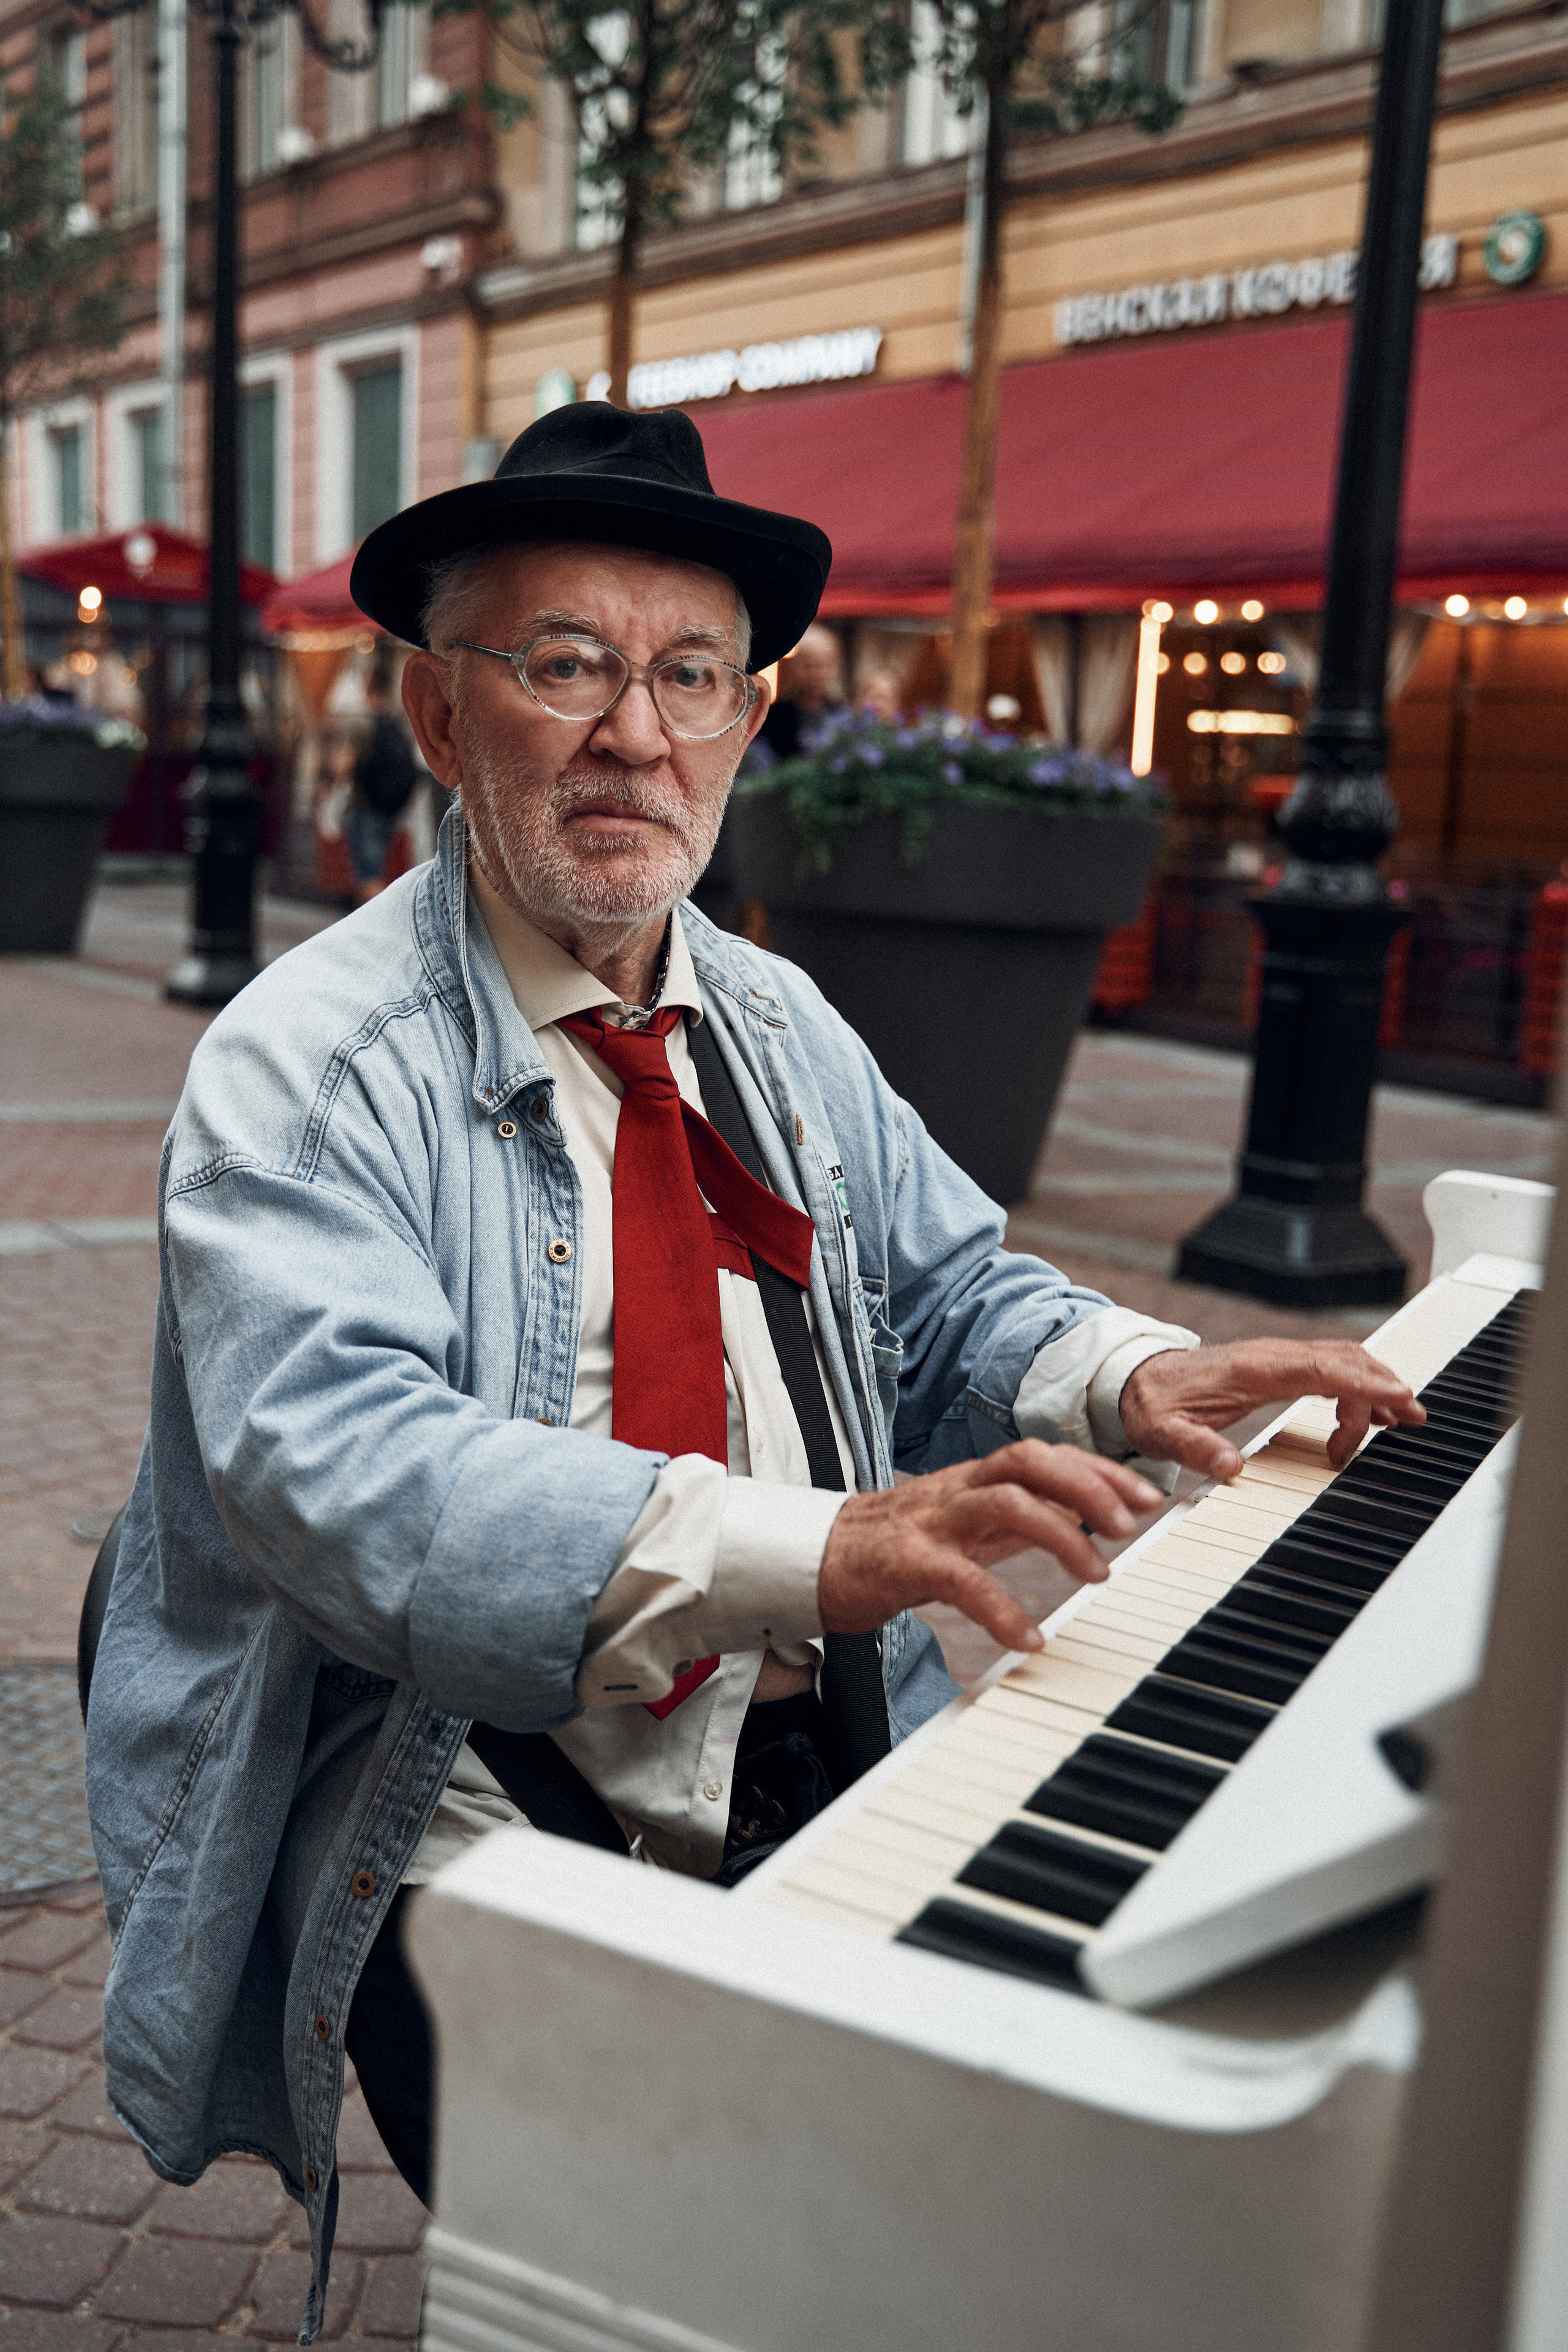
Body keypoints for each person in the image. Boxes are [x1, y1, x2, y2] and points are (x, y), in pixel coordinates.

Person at [85, 403, 1422, 2344]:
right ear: (438, 717)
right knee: (650, 2277)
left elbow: (952, 1283)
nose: (635, 730)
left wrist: (1134, 1372)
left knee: (859, 2231)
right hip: (459, 1788)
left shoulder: (775, 1015)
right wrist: (829, 1543)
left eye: (690, 672)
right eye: (564, 663)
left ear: (750, 714)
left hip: (812, 1734)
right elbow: (348, 1478)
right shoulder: (304, 1067)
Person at [346, 660, 420, 903]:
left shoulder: (365, 725)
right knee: (376, 868)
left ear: (370, 688)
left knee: (369, 873)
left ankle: (370, 929)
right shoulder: (397, 726)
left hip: (367, 808)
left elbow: (344, 765)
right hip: (390, 810)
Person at [757, 617, 845, 763]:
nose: (818, 674)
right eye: (810, 666)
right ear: (793, 667)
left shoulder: (845, 718)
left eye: (825, 666)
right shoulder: (771, 718)